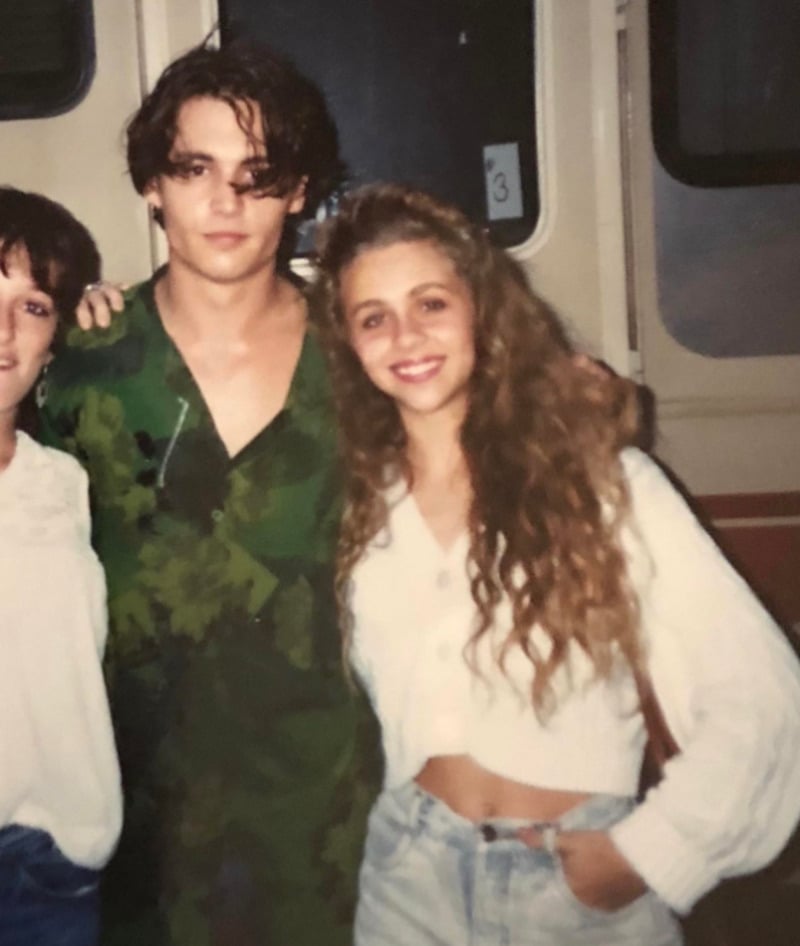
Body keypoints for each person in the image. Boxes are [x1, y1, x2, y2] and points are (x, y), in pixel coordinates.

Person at [311, 183, 800, 946]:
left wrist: (650, 854)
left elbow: (762, 691)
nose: (406, 336)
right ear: (348, 343)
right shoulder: (361, 503)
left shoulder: (601, 484)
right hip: (409, 878)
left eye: (431, 303)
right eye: (373, 318)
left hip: (575, 884)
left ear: (481, 310)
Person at [40, 41, 379, 946]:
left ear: (298, 191)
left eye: (256, 175)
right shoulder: (77, 365)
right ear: (152, 185)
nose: (225, 202)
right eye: (195, 169)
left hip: (327, 813)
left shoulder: (368, 358)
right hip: (138, 822)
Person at [0, 186, 122, 946]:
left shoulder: (63, 481)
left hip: (54, 873)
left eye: (33, 306)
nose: (3, 331)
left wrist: (117, 321)